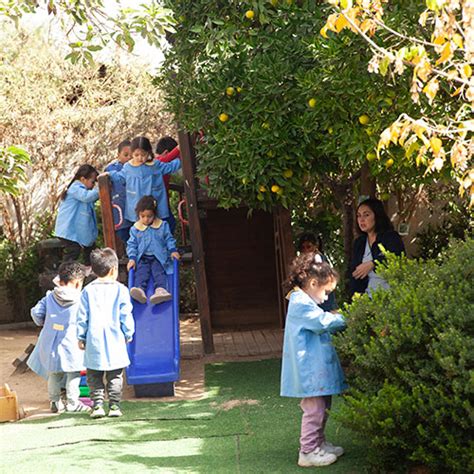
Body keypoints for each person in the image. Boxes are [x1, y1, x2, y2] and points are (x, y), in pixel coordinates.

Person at [280, 253, 347, 468]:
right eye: (326, 292)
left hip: (315, 367)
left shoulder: (305, 300)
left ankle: (318, 443)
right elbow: (322, 322)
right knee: (314, 410)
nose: (326, 298)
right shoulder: (300, 302)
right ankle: (307, 451)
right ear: (313, 282)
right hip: (309, 369)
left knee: (323, 406)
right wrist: (347, 317)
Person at [76, 248, 135, 418]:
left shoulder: (87, 290)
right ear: (114, 269)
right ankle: (114, 406)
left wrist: (80, 336)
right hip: (115, 339)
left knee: (94, 375)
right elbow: (126, 314)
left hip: (93, 339)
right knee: (115, 375)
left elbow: (82, 316)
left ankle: (97, 406)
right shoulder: (121, 290)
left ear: (93, 270)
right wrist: (128, 333)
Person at [27, 262, 89, 413]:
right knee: (73, 374)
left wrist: (46, 323)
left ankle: (55, 402)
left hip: (51, 345)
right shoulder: (81, 300)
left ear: (59, 280)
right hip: (72, 345)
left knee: (54, 373)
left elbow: (36, 314)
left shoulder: (49, 297)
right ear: (77, 283)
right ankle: (73, 403)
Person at [106, 136, 181, 234]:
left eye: (143, 154)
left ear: (149, 153)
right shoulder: (128, 167)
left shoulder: (155, 165)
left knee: (158, 229)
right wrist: (109, 174)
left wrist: (181, 160)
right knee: (140, 232)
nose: (140, 158)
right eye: (136, 155)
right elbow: (120, 176)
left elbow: (169, 167)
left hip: (154, 203)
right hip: (137, 204)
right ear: (132, 153)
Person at [127, 195, 180, 305]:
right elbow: (132, 245)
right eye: (143, 216)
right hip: (143, 257)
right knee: (141, 272)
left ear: (154, 214)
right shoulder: (135, 229)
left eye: (149, 216)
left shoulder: (162, 225)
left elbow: (169, 239)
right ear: (138, 215)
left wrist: (173, 250)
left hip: (158, 257)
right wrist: (132, 258)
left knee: (158, 272)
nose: (146, 219)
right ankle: (139, 290)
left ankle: (160, 290)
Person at [350, 198, 405, 297]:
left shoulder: (391, 237)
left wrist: (373, 264)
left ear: (377, 215)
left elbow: (397, 259)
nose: (361, 219)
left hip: (390, 299)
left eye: (366, 215)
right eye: (359, 216)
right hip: (366, 301)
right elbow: (355, 274)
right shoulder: (359, 243)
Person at [54, 164, 99, 267]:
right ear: (83, 179)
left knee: (90, 250)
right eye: (92, 182)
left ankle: (89, 271)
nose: (93, 186)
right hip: (68, 230)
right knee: (73, 251)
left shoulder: (81, 190)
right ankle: (63, 277)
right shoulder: (75, 188)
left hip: (74, 231)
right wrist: (100, 189)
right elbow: (87, 197)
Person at [298, 232, 337, 312]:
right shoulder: (303, 262)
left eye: (309, 247)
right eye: (303, 248)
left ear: (316, 246)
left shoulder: (319, 260)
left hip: (324, 302)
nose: (306, 250)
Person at [105, 140, 132, 243]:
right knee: (122, 232)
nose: (129, 157)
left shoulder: (136, 167)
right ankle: (128, 253)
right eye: (126, 155)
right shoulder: (112, 169)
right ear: (118, 155)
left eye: (131, 155)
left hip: (134, 206)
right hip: (120, 205)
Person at [155, 136, 180, 234]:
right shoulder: (158, 162)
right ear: (166, 152)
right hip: (159, 201)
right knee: (169, 223)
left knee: (169, 223)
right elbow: (165, 159)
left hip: (162, 200)